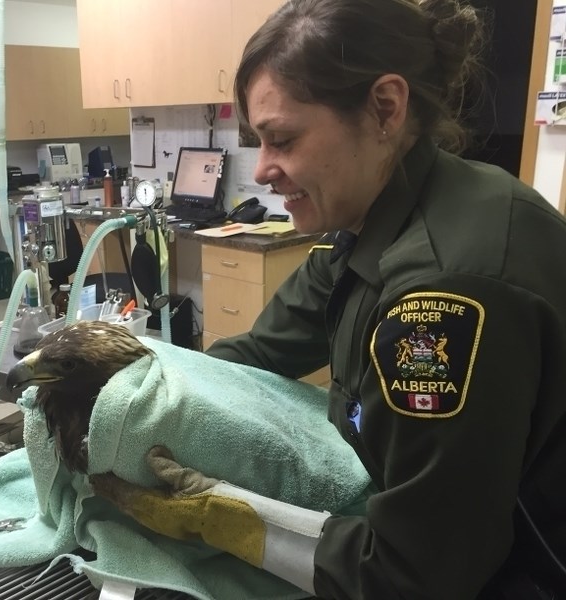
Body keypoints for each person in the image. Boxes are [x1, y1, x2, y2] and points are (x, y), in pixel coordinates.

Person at [91, 0, 566, 598]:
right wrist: (125, 384)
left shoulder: (444, 295)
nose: (261, 170)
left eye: (282, 139)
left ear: (385, 109)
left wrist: (226, 517)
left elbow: (417, 575)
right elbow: (258, 354)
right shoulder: (367, 222)